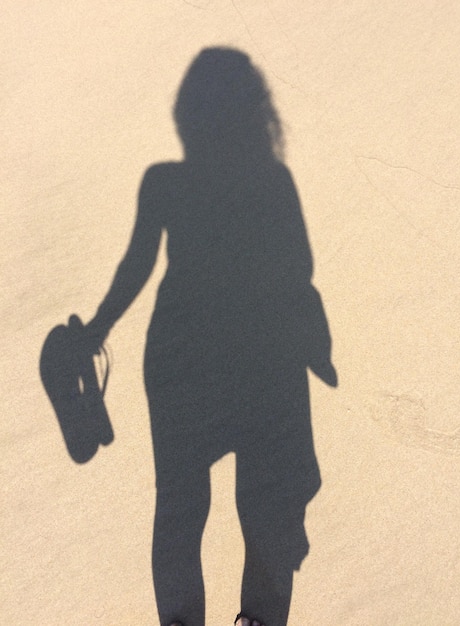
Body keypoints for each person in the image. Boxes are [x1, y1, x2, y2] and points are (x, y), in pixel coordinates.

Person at [86, 47, 336, 626]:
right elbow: (297, 270)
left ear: (186, 115)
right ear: (257, 113)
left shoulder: (164, 181)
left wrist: (96, 329)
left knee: (180, 506)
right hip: (259, 354)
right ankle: (260, 620)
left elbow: (136, 267)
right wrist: (312, 349)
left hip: (179, 358)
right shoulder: (273, 181)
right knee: (264, 507)